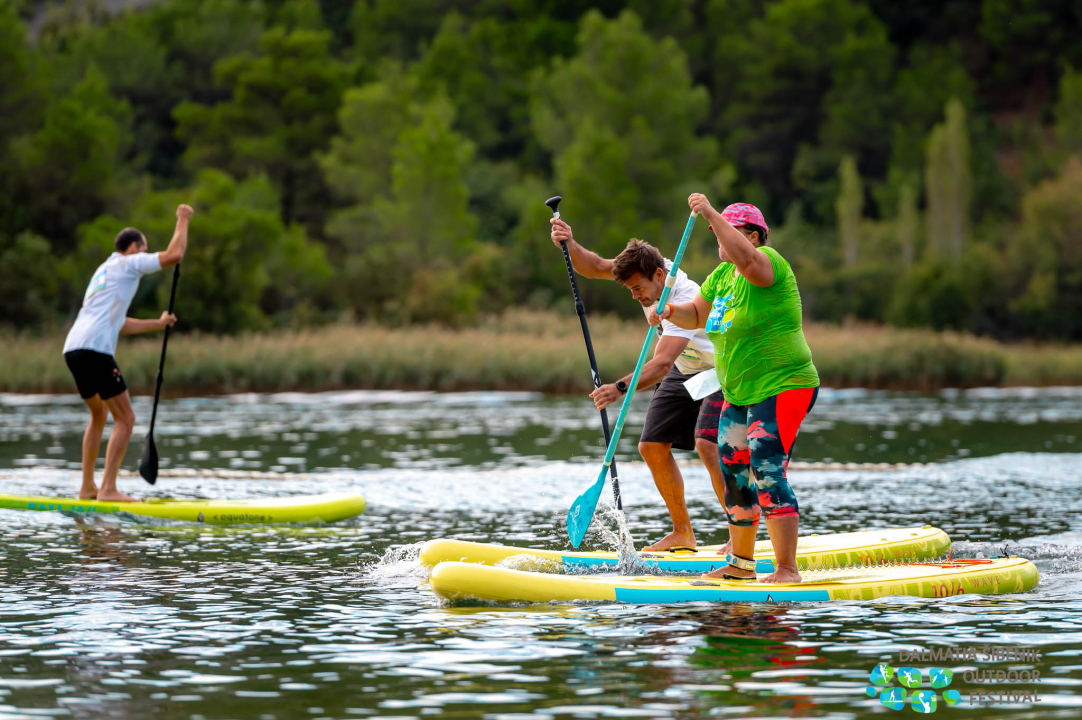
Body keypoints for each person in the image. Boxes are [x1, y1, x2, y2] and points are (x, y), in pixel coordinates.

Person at [648, 194, 819, 584]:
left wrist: (710, 211)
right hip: (739, 392)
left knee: (767, 469)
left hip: (784, 386)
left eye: (728, 230)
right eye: (716, 231)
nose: (719, 238)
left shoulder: (768, 262)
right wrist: (669, 311)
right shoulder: (721, 277)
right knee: (734, 471)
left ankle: (787, 570)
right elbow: (697, 314)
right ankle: (741, 564)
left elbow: (750, 263)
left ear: (753, 236)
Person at [550, 217, 727, 551]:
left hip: (716, 371)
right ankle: (683, 533)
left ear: (659, 276)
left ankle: (739, 536)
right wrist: (569, 243)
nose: (634, 296)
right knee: (651, 446)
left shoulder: (684, 296)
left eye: (638, 289)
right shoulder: (646, 270)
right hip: (684, 368)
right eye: (629, 289)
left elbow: (661, 364)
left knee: (710, 447)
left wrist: (619, 388)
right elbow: (594, 266)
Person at [62, 204, 194, 502]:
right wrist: (182, 219)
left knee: (99, 414)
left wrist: (158, 324)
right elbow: (174, 254)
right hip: (95, 348)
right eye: (143, 249)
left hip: (73, 348)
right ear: (134, 247)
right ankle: (108, 489)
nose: (144, 254)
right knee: (126, 418)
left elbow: (118, 323)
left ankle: (87, 487)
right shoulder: (128, 264)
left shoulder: (102, 271)